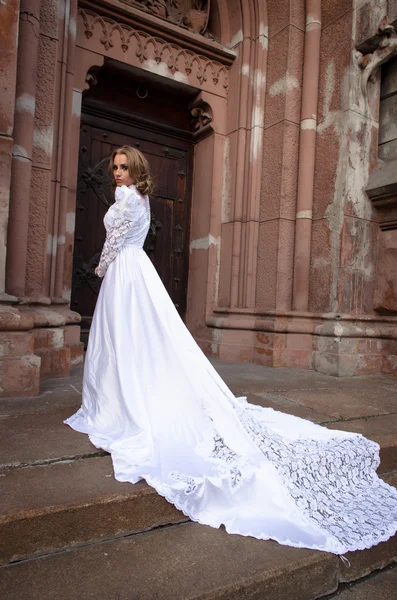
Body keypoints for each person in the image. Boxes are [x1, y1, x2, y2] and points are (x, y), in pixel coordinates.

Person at [65, 145, 397, 555]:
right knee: (131, 337)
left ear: (136, 171)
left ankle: (125, 400)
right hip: (137, 272)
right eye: (114, 167)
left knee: (129, 336)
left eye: (123, 167)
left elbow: (114, 243)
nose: (117, 173)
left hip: (126, 272)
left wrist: (100, 269)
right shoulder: (137, 197)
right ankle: (125, 390)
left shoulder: (129, 200)